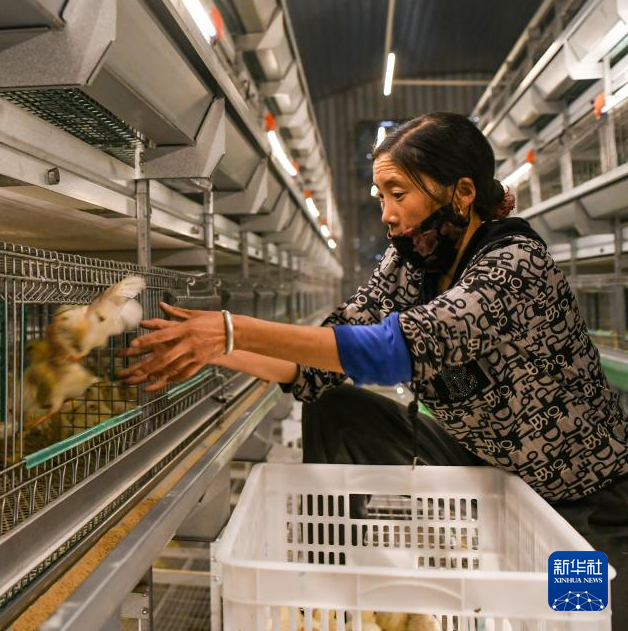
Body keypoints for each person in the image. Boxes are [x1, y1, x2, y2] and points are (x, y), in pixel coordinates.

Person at [118, 112, 628, 623]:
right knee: (335, 408)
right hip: (484, 467)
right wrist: (214, 348)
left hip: (579, 496)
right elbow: (320, 361)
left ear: (463, 193)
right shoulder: (411, 263)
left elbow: (395, 349)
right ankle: (338, 592)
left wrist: (233, 329)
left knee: (580, 614)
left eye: (397, 193)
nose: (386, 213)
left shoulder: (516, 265)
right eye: (380, 196)